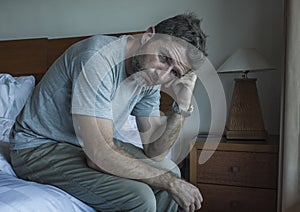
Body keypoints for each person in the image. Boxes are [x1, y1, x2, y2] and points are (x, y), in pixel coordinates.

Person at [10, 12, 207, 212]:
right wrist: (168, 182)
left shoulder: (151, 77)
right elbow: (98, 157)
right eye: (164, 58)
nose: (163, 75)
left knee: (171, 171)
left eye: (175, 72)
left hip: (82, 144)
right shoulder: (97, 58)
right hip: (37, 147)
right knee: (141, 198)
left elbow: (155, 152)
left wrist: (182, 105)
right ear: (148, 36)